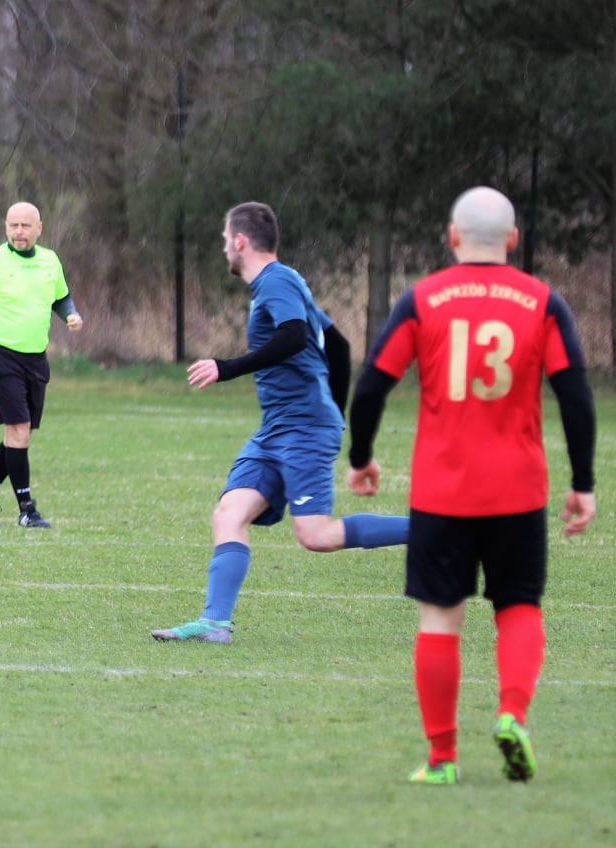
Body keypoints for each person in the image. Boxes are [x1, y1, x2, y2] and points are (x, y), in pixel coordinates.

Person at [345, 187, 596, 786]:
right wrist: (583, 482)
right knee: (518, 607)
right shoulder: (543, 302)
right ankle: (512, 715)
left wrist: (361, 457)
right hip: (518, 491)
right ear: (514, 240)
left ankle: (442, 759)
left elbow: (372, 385)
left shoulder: (422, 299)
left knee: (439, 619)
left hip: (442, 493)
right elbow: (575, 395)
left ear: (453, 238)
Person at [151, 201, 408, 644]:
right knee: (229, 513)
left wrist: (228, 368)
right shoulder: (282, 283)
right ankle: (215, 623)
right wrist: (336, 416)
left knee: (316, 534)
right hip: (278, 428)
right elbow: (339, 346)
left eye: (225, 240)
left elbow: (293, 336)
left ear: (240, 241)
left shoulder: (277, 281)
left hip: (303, 427)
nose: (223, 248)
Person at [0, 202, 84, 528]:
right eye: (13, 225)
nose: (18, 232)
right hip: (0, 356)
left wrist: (70, 314)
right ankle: (27, 510)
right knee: (18, 430)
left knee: (19, 434)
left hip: (36, 358)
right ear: (5, 226)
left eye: (25, 226)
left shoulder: (50, 261)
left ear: (38, 228)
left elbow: (61, 297)